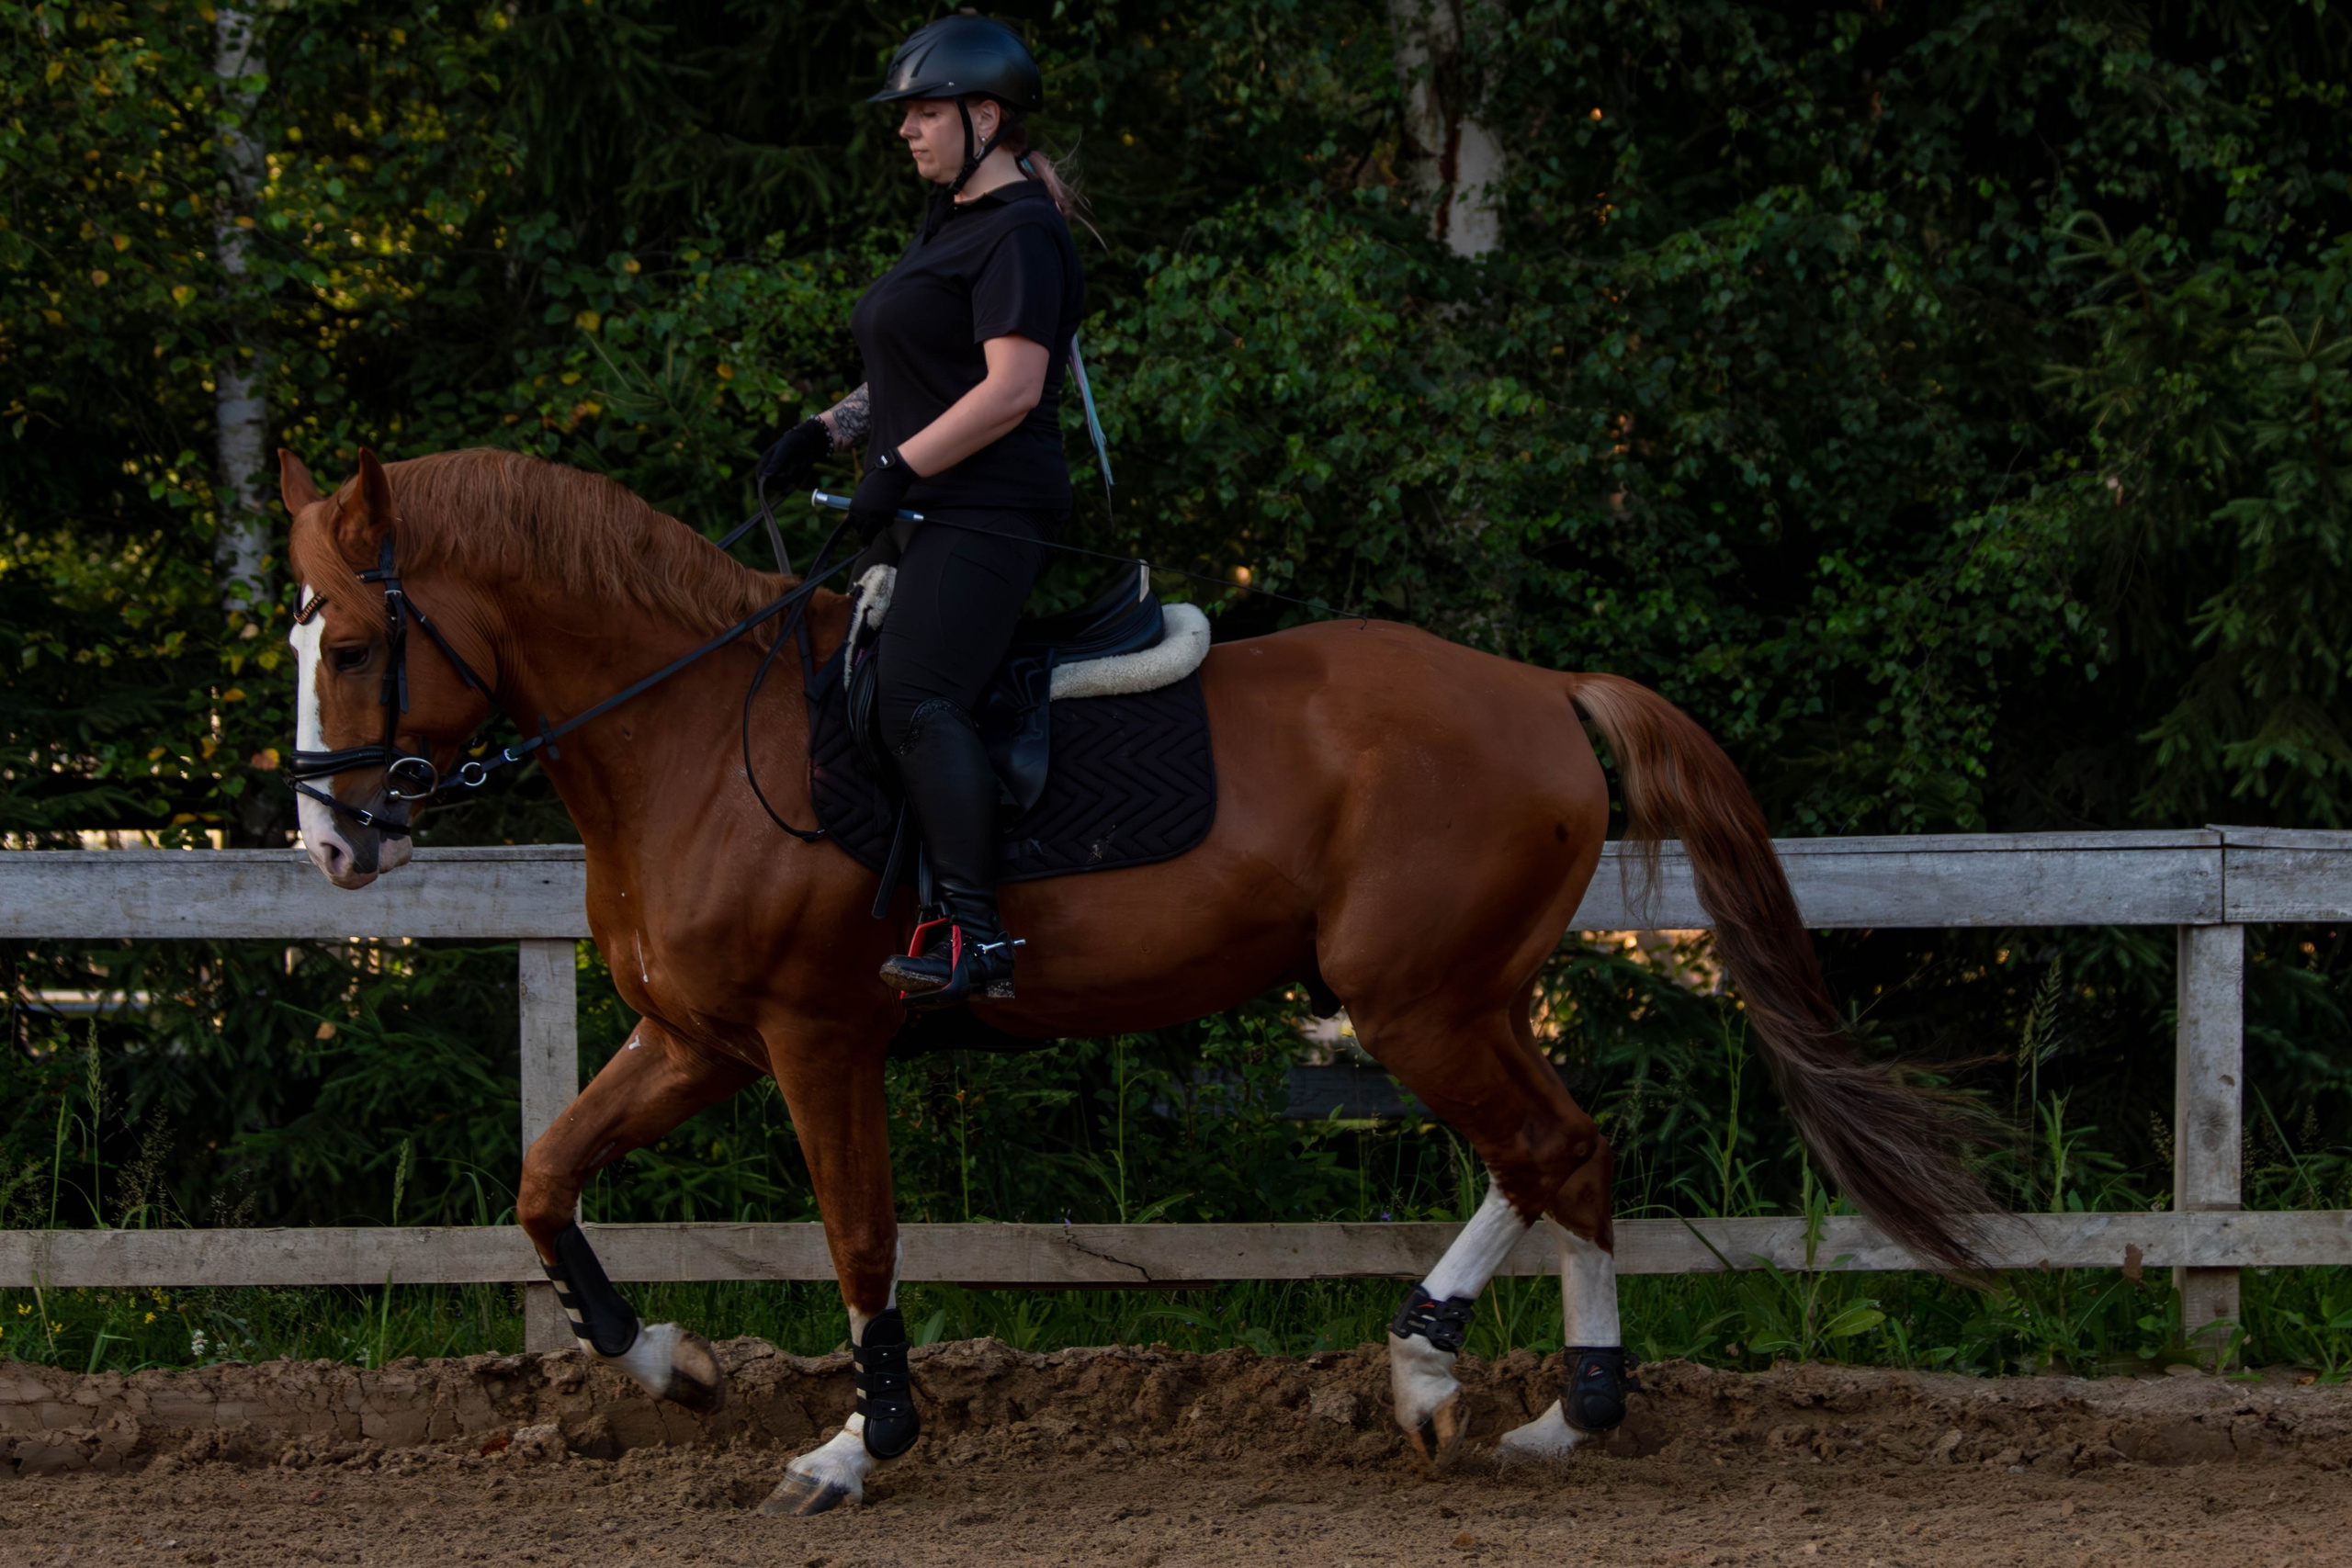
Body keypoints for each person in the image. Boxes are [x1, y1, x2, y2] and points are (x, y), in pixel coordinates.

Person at [756, 14, 1085, 1010]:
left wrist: (895, 464)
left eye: (925, 113)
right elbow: (916, 369)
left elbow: (1010, 390)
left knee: (914, 698)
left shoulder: (1023, 228)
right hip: (930, 505)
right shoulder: (951, 219)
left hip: (988, 509)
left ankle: (976, 939)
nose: (906, 131)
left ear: (986, 117)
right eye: (905, 115)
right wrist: (828, 430)